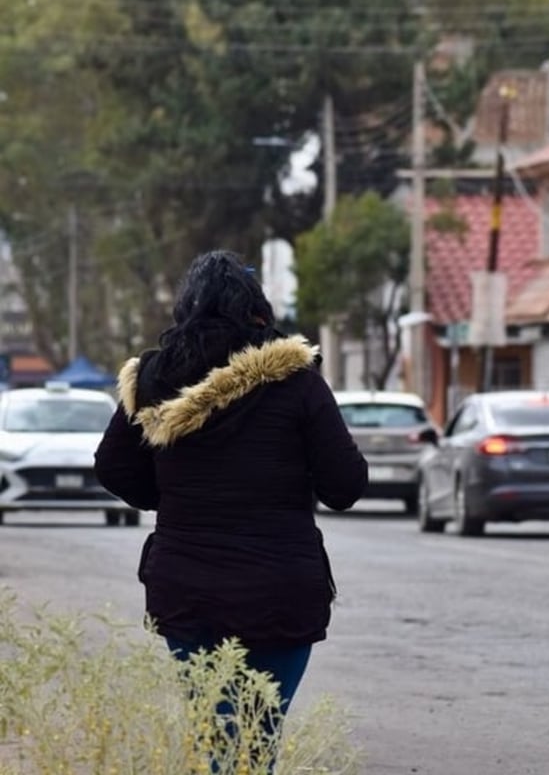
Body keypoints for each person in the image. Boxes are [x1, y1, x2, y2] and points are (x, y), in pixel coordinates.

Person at [94, 250, 368, 765]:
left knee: (212, 734)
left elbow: (112, 466)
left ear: (185, 310)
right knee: (259, 737)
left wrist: (171, 499)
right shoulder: (298, 380)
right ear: (257, 310)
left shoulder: (152, 378)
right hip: (280, 587)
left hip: (186, 587)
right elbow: (345, 487)